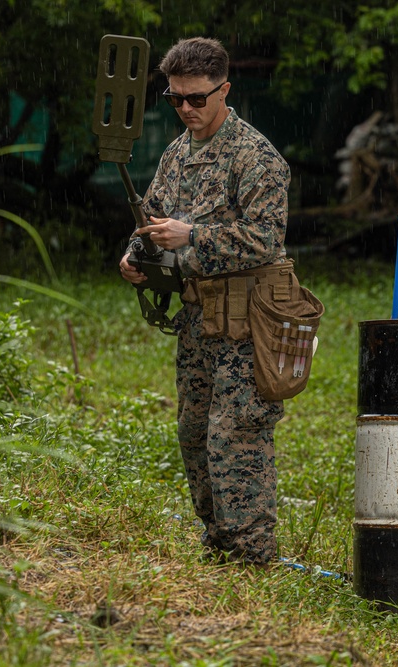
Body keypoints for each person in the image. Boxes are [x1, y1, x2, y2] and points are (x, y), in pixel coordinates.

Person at [119, 36, 291, 566]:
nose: (187, 109)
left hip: (247, 318)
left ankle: (252, 553)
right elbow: (152, 219)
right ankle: (218, 540)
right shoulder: (176, 154)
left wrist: (193, 236)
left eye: (197, 98)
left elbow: (266, 239)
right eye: (176, 100)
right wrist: (134, 254)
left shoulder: (256, 157)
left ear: (224, 91)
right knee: (194, 432)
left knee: (234, 435)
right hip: (198, 317)